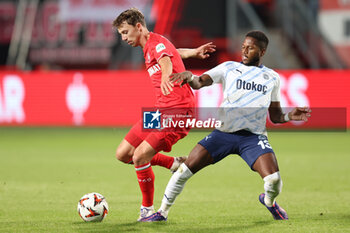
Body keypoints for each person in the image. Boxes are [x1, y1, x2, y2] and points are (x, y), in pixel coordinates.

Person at [141, 30, 311, 222]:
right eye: (243, 47)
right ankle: (162, 213)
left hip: (252, 139)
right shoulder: (228, 68)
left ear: (262, 52)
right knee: (183, 171)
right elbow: (198, 83)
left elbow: (276, 116)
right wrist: (189, 76)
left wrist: (290, 115)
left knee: (274, 181)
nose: (245, 51)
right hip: (222, 135)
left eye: (250, 48)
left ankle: (269, 202)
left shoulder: (272, 77)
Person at [112, 8, 216, 221]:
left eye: (125, 32)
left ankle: (147, 211)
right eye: (121, 34)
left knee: (140, 155)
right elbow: (172, 51)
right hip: (160, 111)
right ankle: (173, 163)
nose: (123, 38)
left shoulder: (155, 44)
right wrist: (194, 53)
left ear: (138, 27)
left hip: (178, 110)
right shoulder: (153, 44)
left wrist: (165, 77)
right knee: (124, 153)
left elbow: (166, 59)